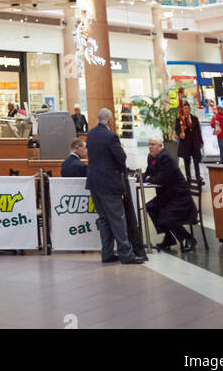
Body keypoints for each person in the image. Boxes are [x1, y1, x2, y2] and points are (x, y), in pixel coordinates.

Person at [85, 108, 140, 264]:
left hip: (94, 183)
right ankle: (126, 253)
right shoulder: (111, 137)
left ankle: (107, 252)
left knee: (103, 219)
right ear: (109, 120)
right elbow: (121, 158)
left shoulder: (90, 135)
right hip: (109, 183)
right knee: (117, 218)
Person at [143, 135, 198, 253]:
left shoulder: (165, 158)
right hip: (166, 196)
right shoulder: (151, 157)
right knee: (151, 207)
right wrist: (141, 177)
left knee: (165, 217)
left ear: (160, 146)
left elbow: (161, 179)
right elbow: (148, 173)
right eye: (149, 145)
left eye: (153, 145)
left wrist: (148, 178)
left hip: (179, 197)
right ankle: (168, 238)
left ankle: (188, 238)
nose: (150, 147)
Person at [176, 99, 203, 184]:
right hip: (185, 144)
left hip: (195, 143)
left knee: (196, 161)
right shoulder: (180, 119)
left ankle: (198, 177)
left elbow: (198, 131)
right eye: (185, 108)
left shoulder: (194, 118)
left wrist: (201, 141)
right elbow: (176, 129)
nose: (187, 110)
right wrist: (180, 133)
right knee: (186, 162)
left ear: (190, 109)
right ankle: (188, 179)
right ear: (183, 109)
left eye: (188, 108)